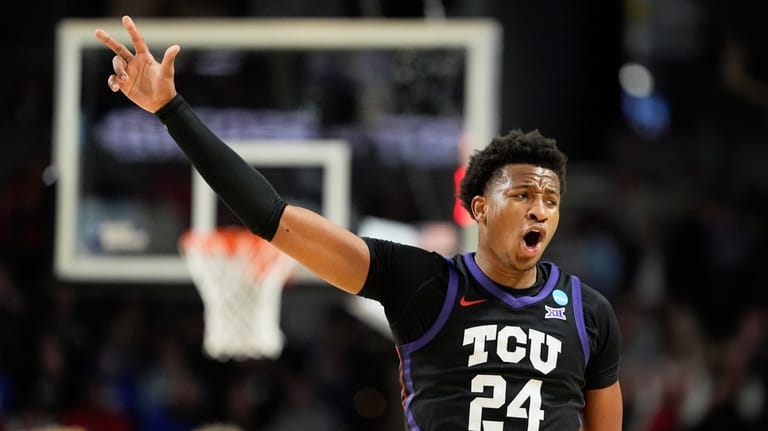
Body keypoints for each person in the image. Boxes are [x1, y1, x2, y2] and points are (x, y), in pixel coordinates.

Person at [95, 15, 623, 431]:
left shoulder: (589, 313)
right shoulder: (423, 284)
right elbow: (271, 217)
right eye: (524, 194)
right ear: (480, 208)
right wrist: (171, 110)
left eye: (551, 199)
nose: (539, 209)